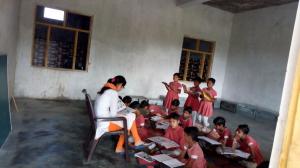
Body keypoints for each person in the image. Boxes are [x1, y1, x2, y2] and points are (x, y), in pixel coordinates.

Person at [94, 75, 143, 153]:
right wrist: (121, 113)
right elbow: (113, 114)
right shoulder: (113, 92)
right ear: (120, 84)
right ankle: (126, 144)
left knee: (129, 117)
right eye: (123, 86)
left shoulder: (102, 91)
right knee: (128, 121)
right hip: (105, 124)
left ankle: (136, 141)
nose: (121, 88)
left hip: (98, 121)